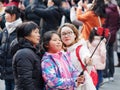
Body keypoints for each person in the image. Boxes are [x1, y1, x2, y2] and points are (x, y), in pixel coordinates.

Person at [58, 23, 96, 90]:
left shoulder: (80, 48)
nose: (66, 36)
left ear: (75, 35)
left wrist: (87, 59)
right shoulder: (60, 52)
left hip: (82, 86)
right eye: (63, 34)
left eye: (69, 33)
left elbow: (85, 55)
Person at [10, 21, 44, 90]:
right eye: (35, 32)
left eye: (38, 32)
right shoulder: (24, 53)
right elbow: (25, 81)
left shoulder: (33, 51)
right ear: (26, 35)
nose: (39, 35)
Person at [0, 5, 22, 90]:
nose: (5, 15)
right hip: (5, 69)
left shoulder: (21, 29)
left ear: (13, 15)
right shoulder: (5, 29)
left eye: (7, 13)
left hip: (15, 70)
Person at [102, 0, 120, 82]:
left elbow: (104, 24)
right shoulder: (116, 10)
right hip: (113, 34)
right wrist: (115, 30)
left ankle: (106, 75)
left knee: (106, 54)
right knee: (111, 54)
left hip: (107, 33)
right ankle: (111, 74)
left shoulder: (107, 11)